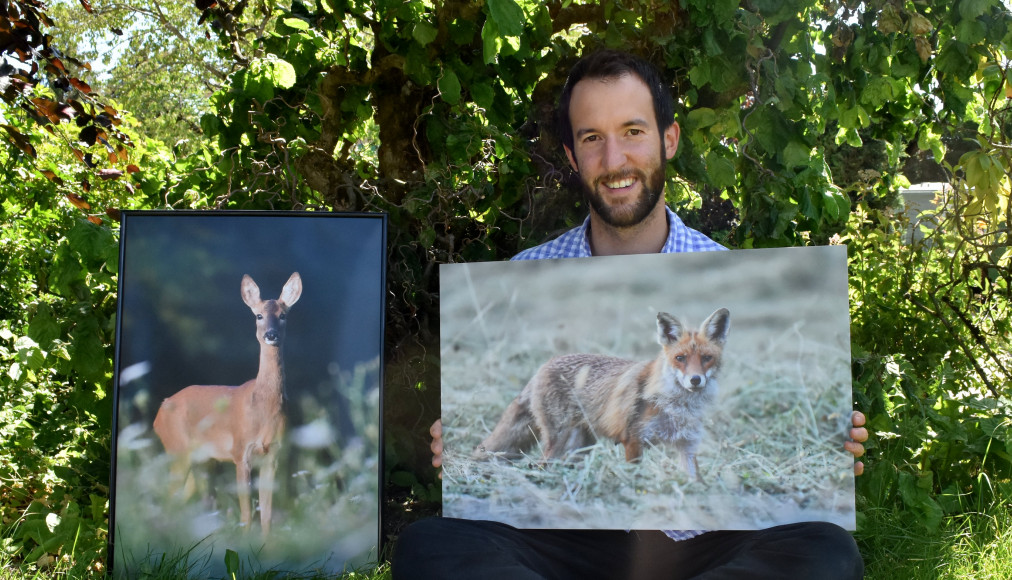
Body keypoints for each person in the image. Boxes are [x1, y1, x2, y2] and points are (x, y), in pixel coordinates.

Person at [391, 49, 867, 580]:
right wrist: (452, 451)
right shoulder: (527, 272)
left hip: (696, 544)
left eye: (633, 131)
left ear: (669, 139)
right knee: (429, 544)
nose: (614, 159)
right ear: (572, 155)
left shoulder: (720, 269)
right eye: (592, 138)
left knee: (826, 551)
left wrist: (837, 446)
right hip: (565, 542)